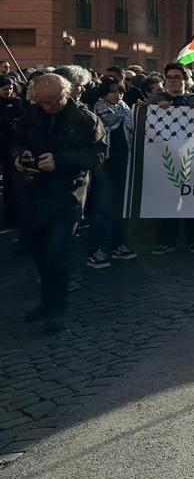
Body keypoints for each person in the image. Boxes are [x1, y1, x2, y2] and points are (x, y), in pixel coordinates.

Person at [11, 74, 107, 333]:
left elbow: (98, 154)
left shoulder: (86, 120)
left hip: (67, 196)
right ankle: (46, 301)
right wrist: (20, 157)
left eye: (54, 101)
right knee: (38, 251)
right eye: (43, 102)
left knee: (57, 253)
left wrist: (60, 161)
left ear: (68, 94)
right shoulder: (32, 114)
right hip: (33, 194)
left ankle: (57, 309)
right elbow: (14, 141)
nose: (49, 107)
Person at [87, 77, 138, 267]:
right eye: (113, 91)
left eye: (121, 91)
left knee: (119, 207)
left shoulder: (126, 110)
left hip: (123, 164)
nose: (118, 95)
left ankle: (119, 244)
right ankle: (96, 249)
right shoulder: (96, 112)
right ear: (104, 93)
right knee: (101, 208)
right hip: (103, 167)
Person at [0, 75, 27, 229]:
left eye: (10, 88)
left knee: (12, 182)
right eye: (4, 89)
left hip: (11, 146)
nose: (8, 91)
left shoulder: (17, 102)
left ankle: (12, 214)